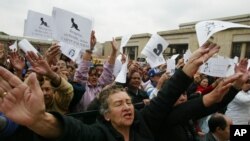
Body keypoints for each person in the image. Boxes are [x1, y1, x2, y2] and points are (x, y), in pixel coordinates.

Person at [0, 43, 245, 141]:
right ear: (105, 114)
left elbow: (166, 97)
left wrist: (190, 68)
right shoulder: (98, 135)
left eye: (128, 102)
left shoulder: (145, 123)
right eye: (118, 104)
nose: (128, 106)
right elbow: (71, 131)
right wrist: (39, 120)